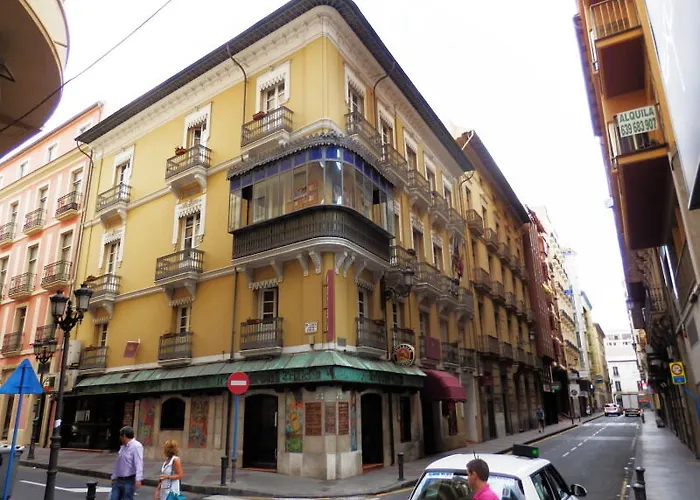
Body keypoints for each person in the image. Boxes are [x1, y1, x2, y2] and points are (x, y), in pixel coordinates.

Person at [110, 426, 144, 500]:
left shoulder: (136, 446)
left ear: (124, 436)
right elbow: (118, 463)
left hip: (129, 480)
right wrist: (114, 477)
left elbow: (138, 462)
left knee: (127, 498)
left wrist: (138, 478)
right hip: (118, 479)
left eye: (121, 436)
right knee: (113, 498)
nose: (120, 438)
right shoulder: (123, 447)